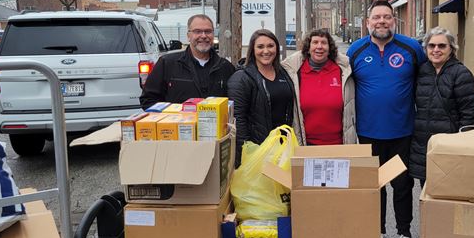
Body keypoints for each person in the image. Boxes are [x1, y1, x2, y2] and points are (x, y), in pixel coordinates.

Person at [347, 0, 426, 238]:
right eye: (376, 17)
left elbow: (429, 78)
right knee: (375, 187)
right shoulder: (355, 51)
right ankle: (377, 233)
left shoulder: (411, 48)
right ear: (368, 22)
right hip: (367, 134)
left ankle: (404, 233)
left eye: (387, 17)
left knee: (403, 186)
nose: (381, 21)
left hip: (403, 131)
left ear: (394, 20)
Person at [409, 27, 474, 184]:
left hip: (449, 145)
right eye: (431, 46)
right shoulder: (421, 71)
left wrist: (462, 144)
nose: (436, 50)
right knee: (426, 193)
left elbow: (468, 115)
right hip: (423, 144)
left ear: (451, 49)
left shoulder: (461, 74)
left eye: (442, 46)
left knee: (446, 194)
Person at [228, 29, 296, 166]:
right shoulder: (242, 78)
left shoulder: (284, 73)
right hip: (257, 151)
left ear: (277, 48)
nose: (266, 51)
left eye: (270, 46)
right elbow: (238, 120)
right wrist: (248, 155)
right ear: (252, 50)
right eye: (260, 47)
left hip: (282, 148)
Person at [139, 14, 235, 109]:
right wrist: (172, 116)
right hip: (177, 123)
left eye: (208, 31)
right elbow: (148, 100)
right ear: (188, 36)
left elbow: (234, 104)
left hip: (215, 124)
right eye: (197, 31)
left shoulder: (225, 67)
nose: (204, 36)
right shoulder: (167, 64)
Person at [282, 29, 356, 145]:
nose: (319, 46)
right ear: (308, 47)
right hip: (306, 144)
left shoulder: (344, 71)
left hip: (339, 144)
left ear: (330, 48)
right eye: (315, 42)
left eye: (324, 43)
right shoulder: (294, 73)